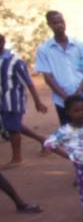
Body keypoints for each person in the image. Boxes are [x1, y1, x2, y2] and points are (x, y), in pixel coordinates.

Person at [35, 11, 83, 126]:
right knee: (69, 132)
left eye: (61, 22)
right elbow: (48, 78)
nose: (59, 25)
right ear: (49, 25)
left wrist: (79, 92)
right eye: (55, 23)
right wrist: (66, 98)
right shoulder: (44, 50)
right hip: (62, 101)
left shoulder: (80, 46)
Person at [1, 34, 48, 169]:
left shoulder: (15, 61)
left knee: (13, 129)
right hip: (2, 101)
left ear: (3, 42)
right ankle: (43, 140)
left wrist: (37, 101)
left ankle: (17, 159)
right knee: (15, 125)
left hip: (12, 101)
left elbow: (29, 83)